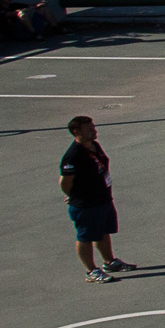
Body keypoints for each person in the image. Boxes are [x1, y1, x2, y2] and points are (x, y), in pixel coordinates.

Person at [63, 113, 130, 282]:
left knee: (103, 231)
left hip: (103, 198)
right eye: (89, 128)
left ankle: (110, 261)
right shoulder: (73, 156)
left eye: (93, 127)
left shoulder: (94, 145)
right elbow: (65, 181)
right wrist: (72, 195)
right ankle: (91, 271)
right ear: (76, 131)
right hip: (86, 203)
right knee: (85, 236)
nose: (94, 131)